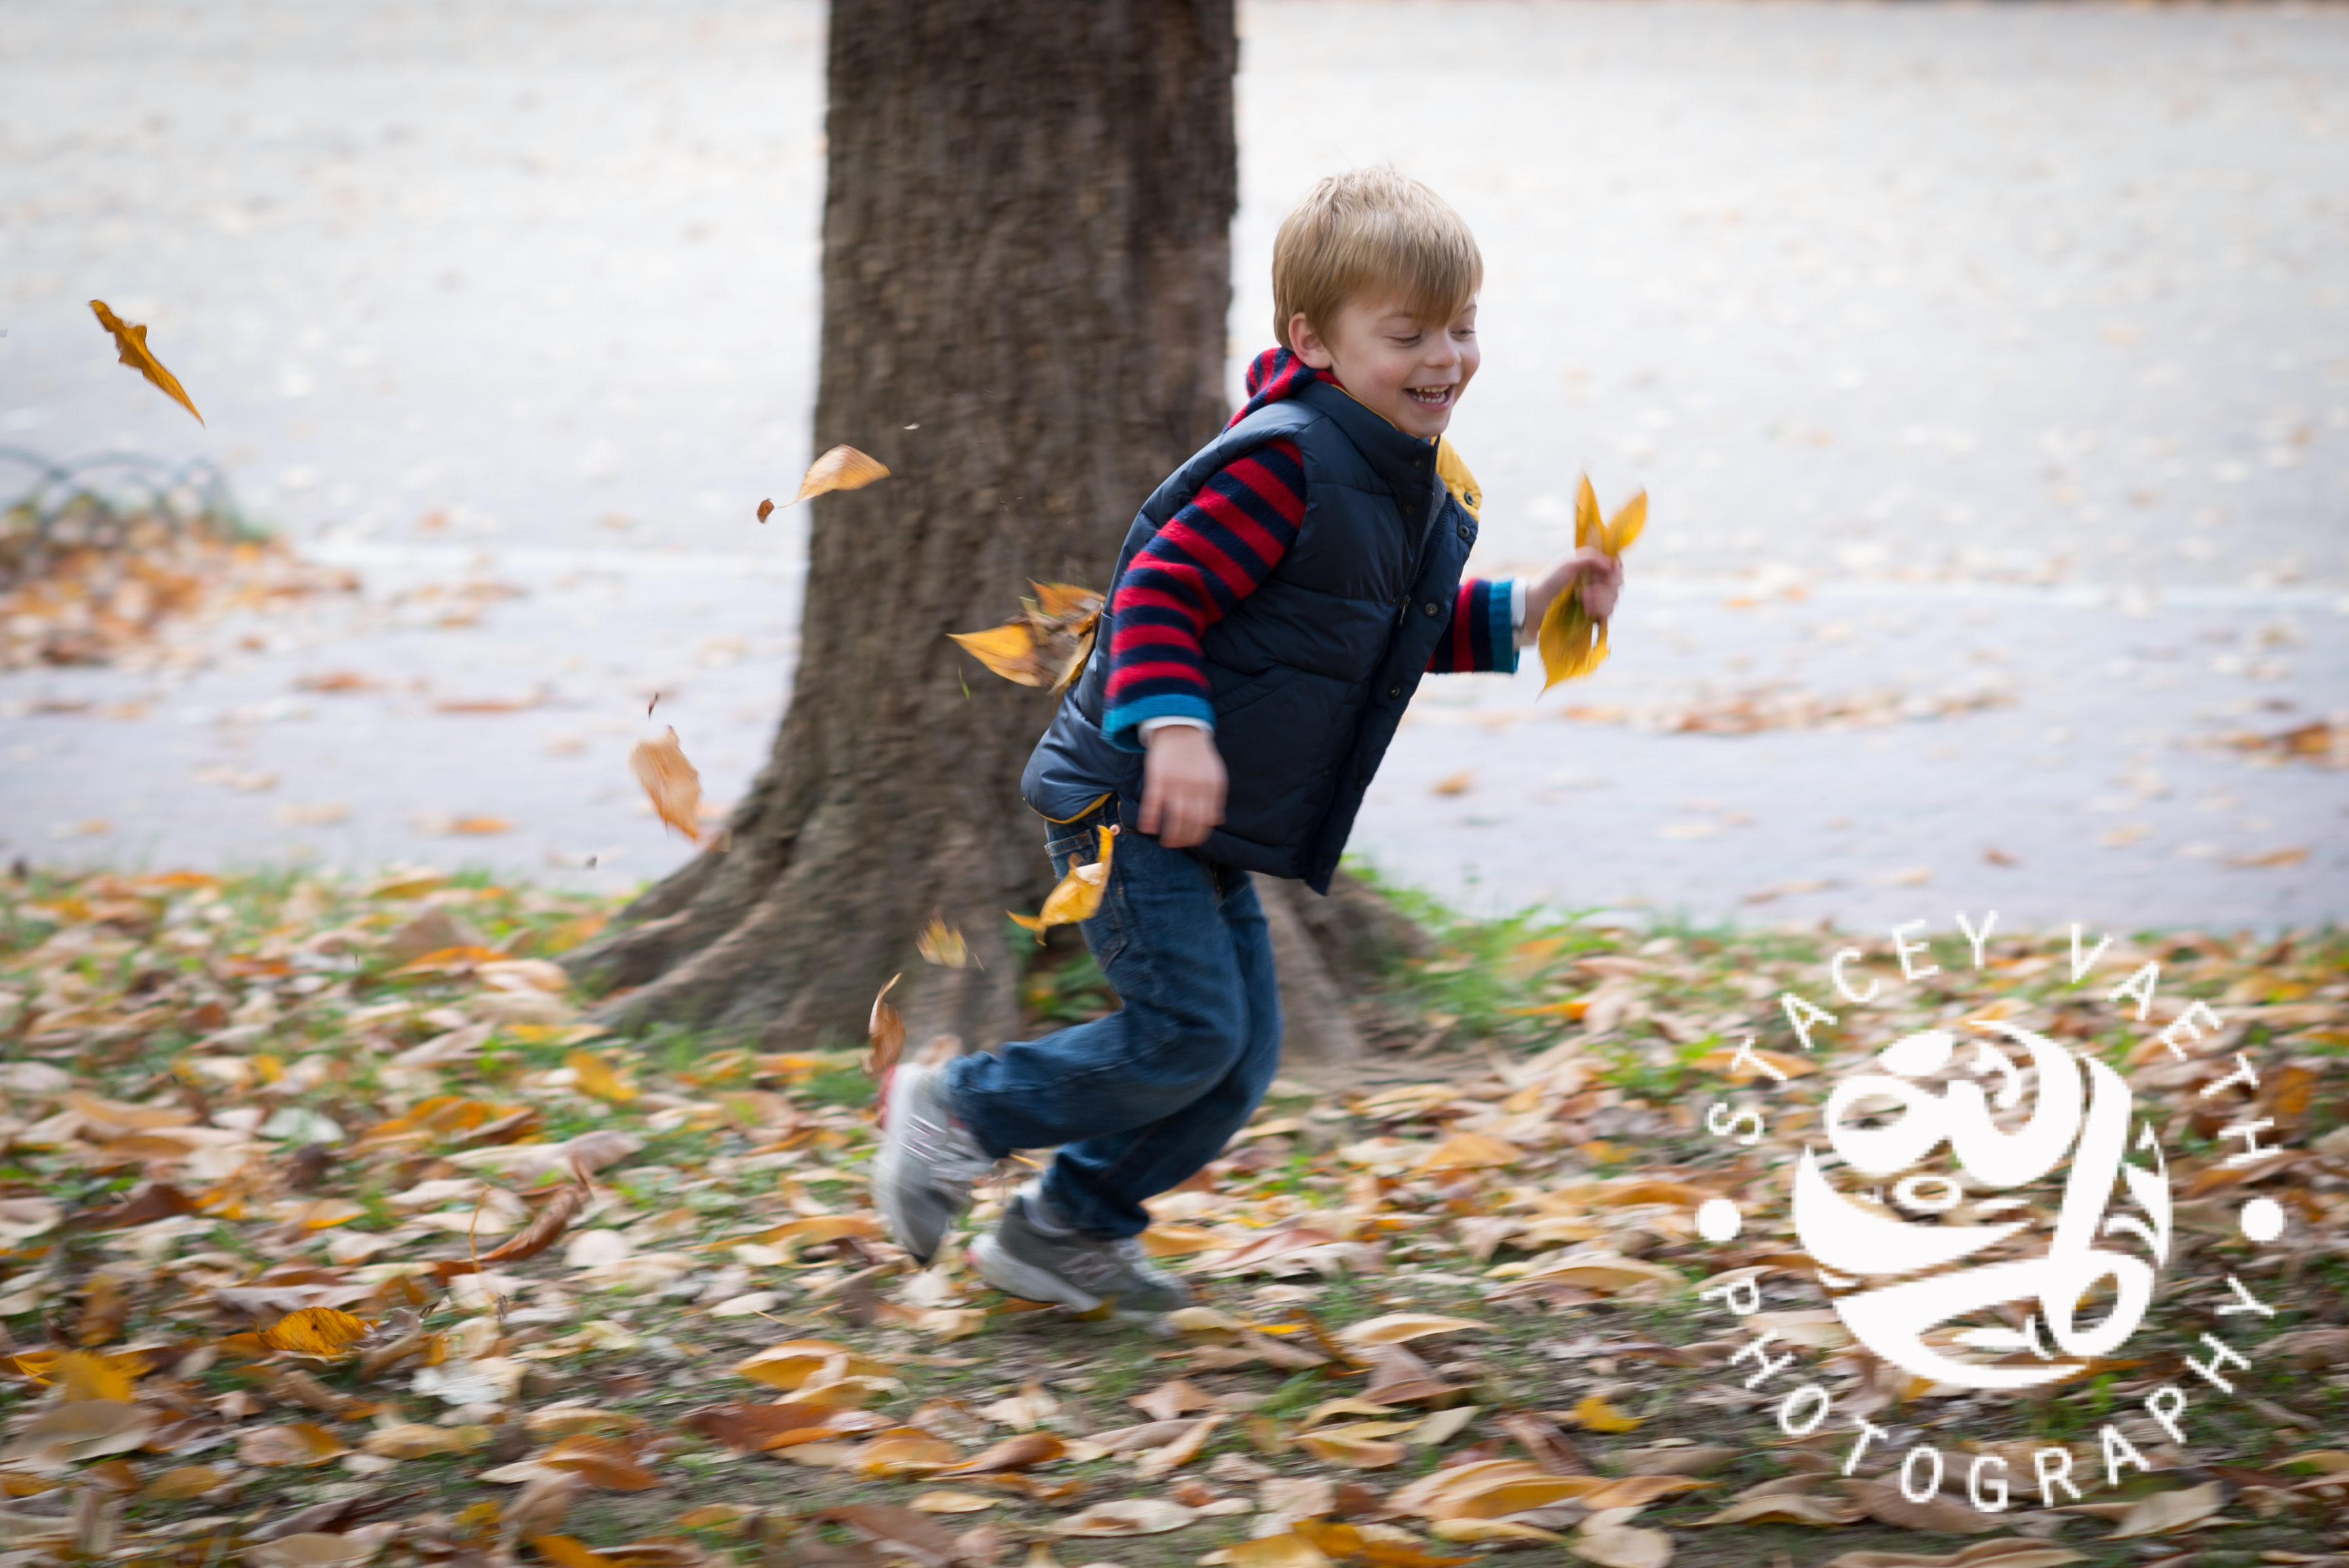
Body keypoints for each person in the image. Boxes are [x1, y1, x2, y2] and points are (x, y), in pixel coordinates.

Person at [875, 167, 1626, 1314]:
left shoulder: (1394, 472)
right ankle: (958, 1112)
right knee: (1189, 1035)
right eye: (1407, 335)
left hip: (1203, 820)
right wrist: (1175, 728)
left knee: (1235, 1060)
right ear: (1313, 342)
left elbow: (1373, 630)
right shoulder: (1288, 463)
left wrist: (1531, 608)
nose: (1444, 359)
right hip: (1129, 800)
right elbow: (1156, 592)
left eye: (1462, 328)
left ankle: (1064, 1230)